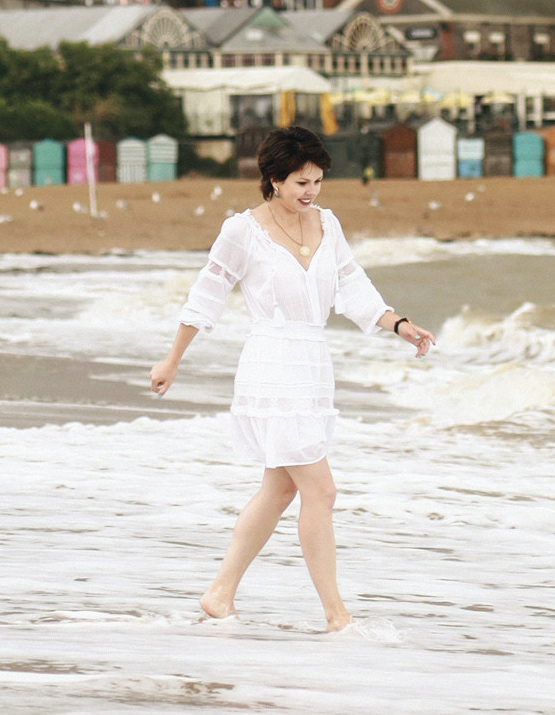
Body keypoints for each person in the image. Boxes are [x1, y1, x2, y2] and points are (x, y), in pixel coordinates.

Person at [149, 123, 432, 632]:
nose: (311, 192)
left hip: (313, 365)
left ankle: (219, 593)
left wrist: (399, 324)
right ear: (274, 179)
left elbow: (352, 284)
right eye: (302, 182)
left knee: (280, 491)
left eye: (318, 181)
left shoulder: (328, 224)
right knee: (320, 491)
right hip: (272, 365)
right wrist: (173, 359)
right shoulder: (243, 230)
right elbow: (207, 293)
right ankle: (336, 615)